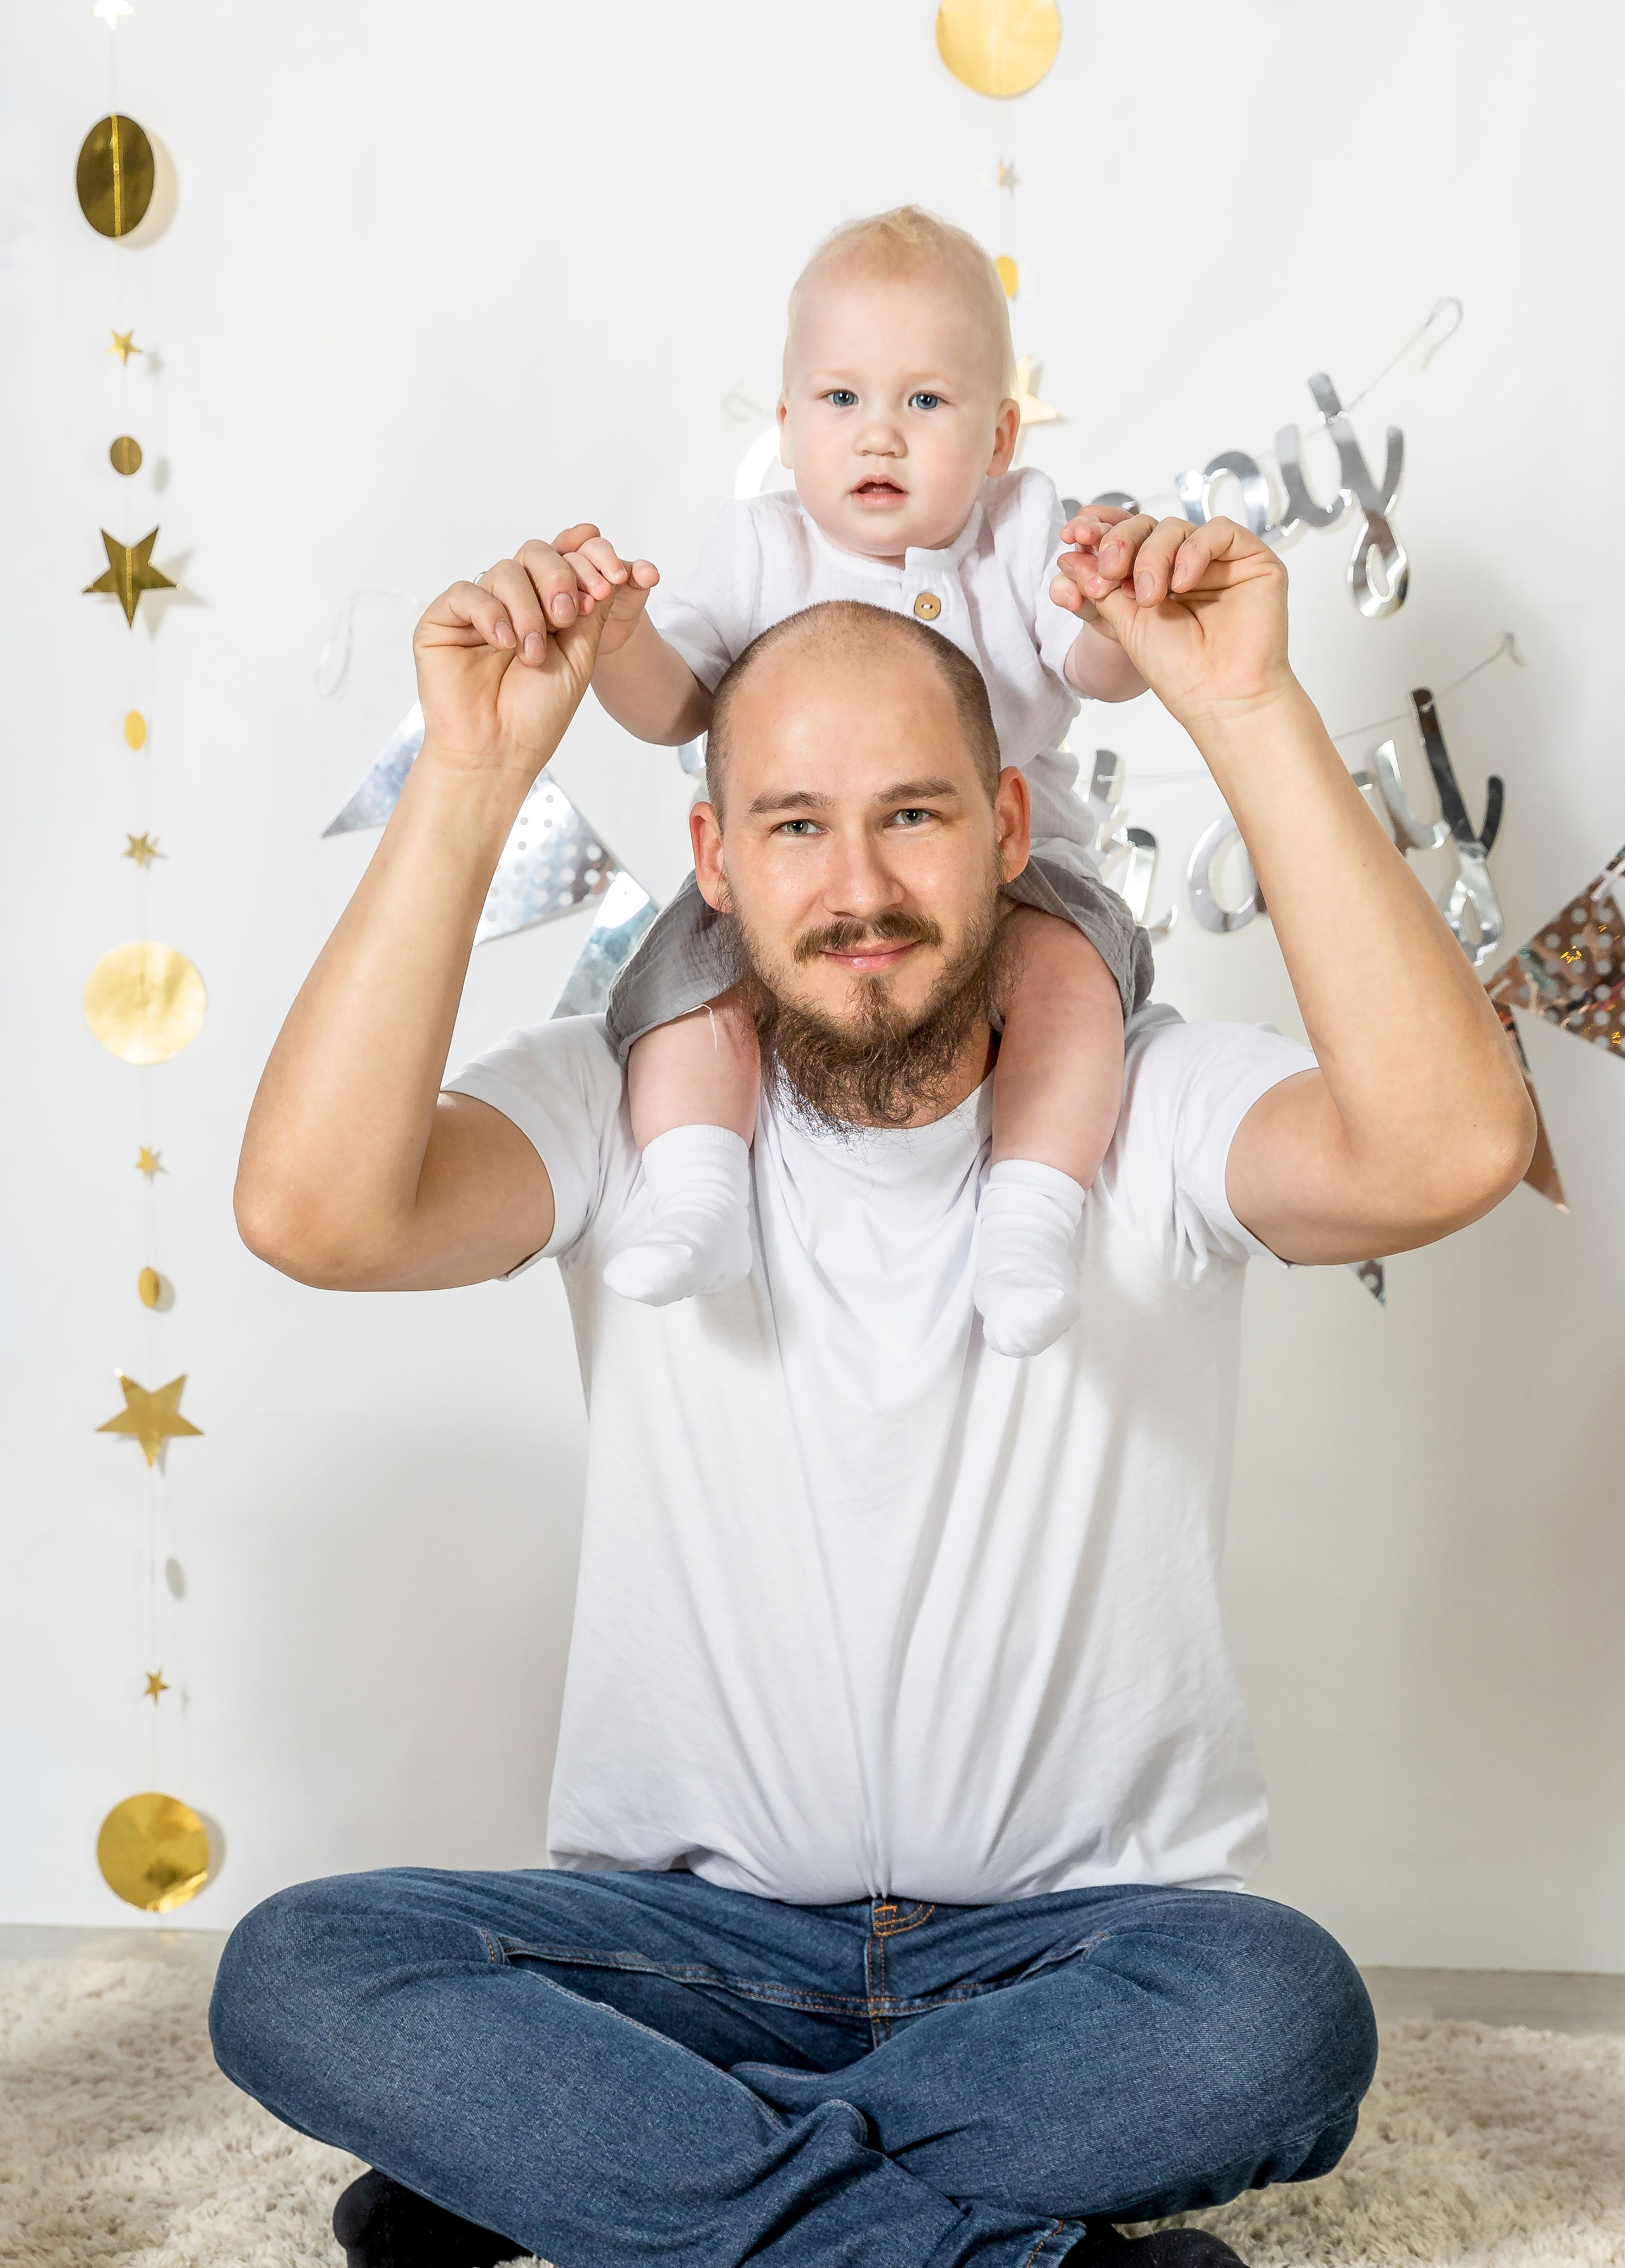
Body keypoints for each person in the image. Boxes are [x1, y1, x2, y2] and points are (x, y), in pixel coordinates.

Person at [211, 505, 1534, 2268]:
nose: (856, 885)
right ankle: (973, 2245)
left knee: (1274, 2017)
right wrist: (467, 777)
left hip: (1073, 1953)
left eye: (911, 813)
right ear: (713, 855)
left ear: (1005, 829)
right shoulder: (616, 1103)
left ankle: (614, 2170)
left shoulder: (1160, 1101)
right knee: (306, 1966)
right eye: (793, 824)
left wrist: (1245, 704)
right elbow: (312, 1212)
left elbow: (1449, 1147)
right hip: (688, 1949)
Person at [550, 206, 1151, 1358]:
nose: (879, 435)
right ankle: (699, 1194)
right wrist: (619, 637)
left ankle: (1031, 1214)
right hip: (796, 887)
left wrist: (1122, 614)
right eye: (841, 399)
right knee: (689, 983)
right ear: (786, 428)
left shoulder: (1020, 533)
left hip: (1016, 874)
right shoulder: (763, 548)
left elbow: (1090, 668)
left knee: (1075, 981)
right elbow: (678, 704)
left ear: (999, 437)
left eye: (924, 401)